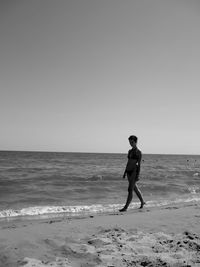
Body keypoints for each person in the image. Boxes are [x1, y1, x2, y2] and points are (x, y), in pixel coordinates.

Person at [119, 135, 145, 212]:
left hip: (134, 171)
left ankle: (126, 207)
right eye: (130, 142)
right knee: (135, 188)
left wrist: (138, 175)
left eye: (132, 142)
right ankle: (142, 202)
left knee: (130, 189)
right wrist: (125, 172)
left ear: (136, 142)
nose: (131, 143)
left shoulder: (139, 152)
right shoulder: (129, 151)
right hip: (128, 172)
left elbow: (139, 164)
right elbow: (128, 162)